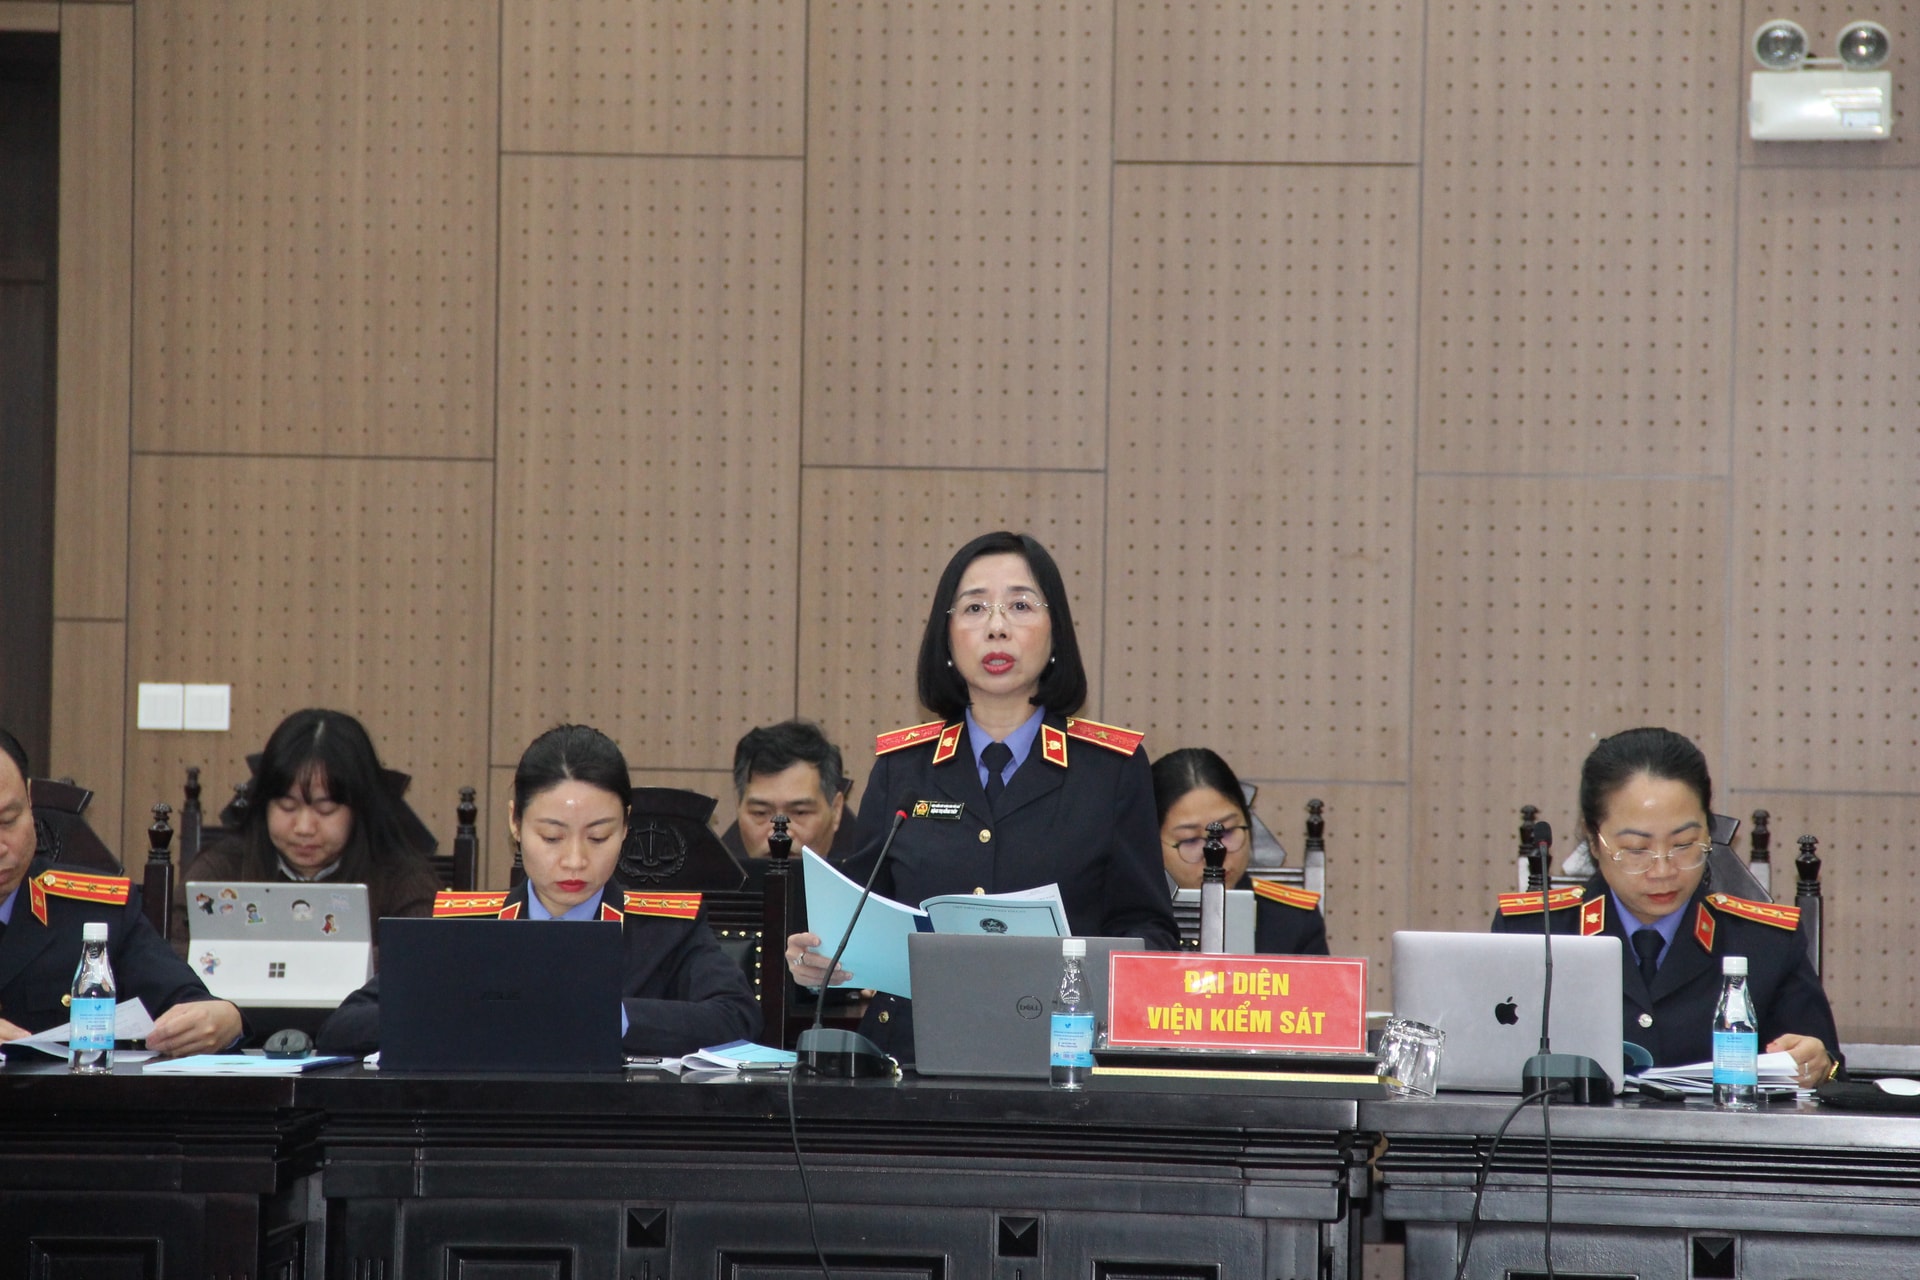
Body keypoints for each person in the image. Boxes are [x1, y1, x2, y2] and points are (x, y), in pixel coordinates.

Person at [786, 531, 1178, 1060]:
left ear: (1056, 632)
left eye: (1020, 605)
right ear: (946, 637)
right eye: (974, 608)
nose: (997, 627)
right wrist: (816, 962)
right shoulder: (903, 768)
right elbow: (854, 922)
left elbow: (1149, 932)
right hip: (912, 1056)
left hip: (1060, 1053)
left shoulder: (1110, 770)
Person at [318, 724, 760, 1058]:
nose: (574, 860)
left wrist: (609, 1015)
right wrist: (469, 1012)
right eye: (551, 837)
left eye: (598, 836)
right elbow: (344, 1027)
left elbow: (737, 1017)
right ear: (515, 822)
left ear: (627, 825)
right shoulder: (465, 926)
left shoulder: (666, 928)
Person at [1492, 726, 1840, 1082]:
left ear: (1708, 833)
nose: (1662, 870)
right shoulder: (1532, 933)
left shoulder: (1765, 944)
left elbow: (1828, 1070)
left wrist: (1819, 1064)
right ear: (1594, 842)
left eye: (1684, 844)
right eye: (1636, 849)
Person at [0, 727, 243, 1056]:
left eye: (8, 820)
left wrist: (224, 1019)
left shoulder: (95, 911)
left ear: (30, 802)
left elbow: (187, 1004)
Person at [177, 709, 442, 945]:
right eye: (287, 806)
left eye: (325, 809)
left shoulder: (403, 879)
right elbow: (168, 954)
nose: (304, 828)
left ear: (359, 809)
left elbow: (425, 960)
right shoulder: (222, 870)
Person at [1152, 748, 1328, 955]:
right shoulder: (1130, 919)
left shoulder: (1293, 921)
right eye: (1190, 840)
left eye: (1227, 832)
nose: (1215, 854)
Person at [718, 719, 860, 884]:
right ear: (739, 807)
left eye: (800, 812)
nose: (779, 835)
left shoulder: (869, 888)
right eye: (760, 813)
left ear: (836, 811)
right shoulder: (714, 887)